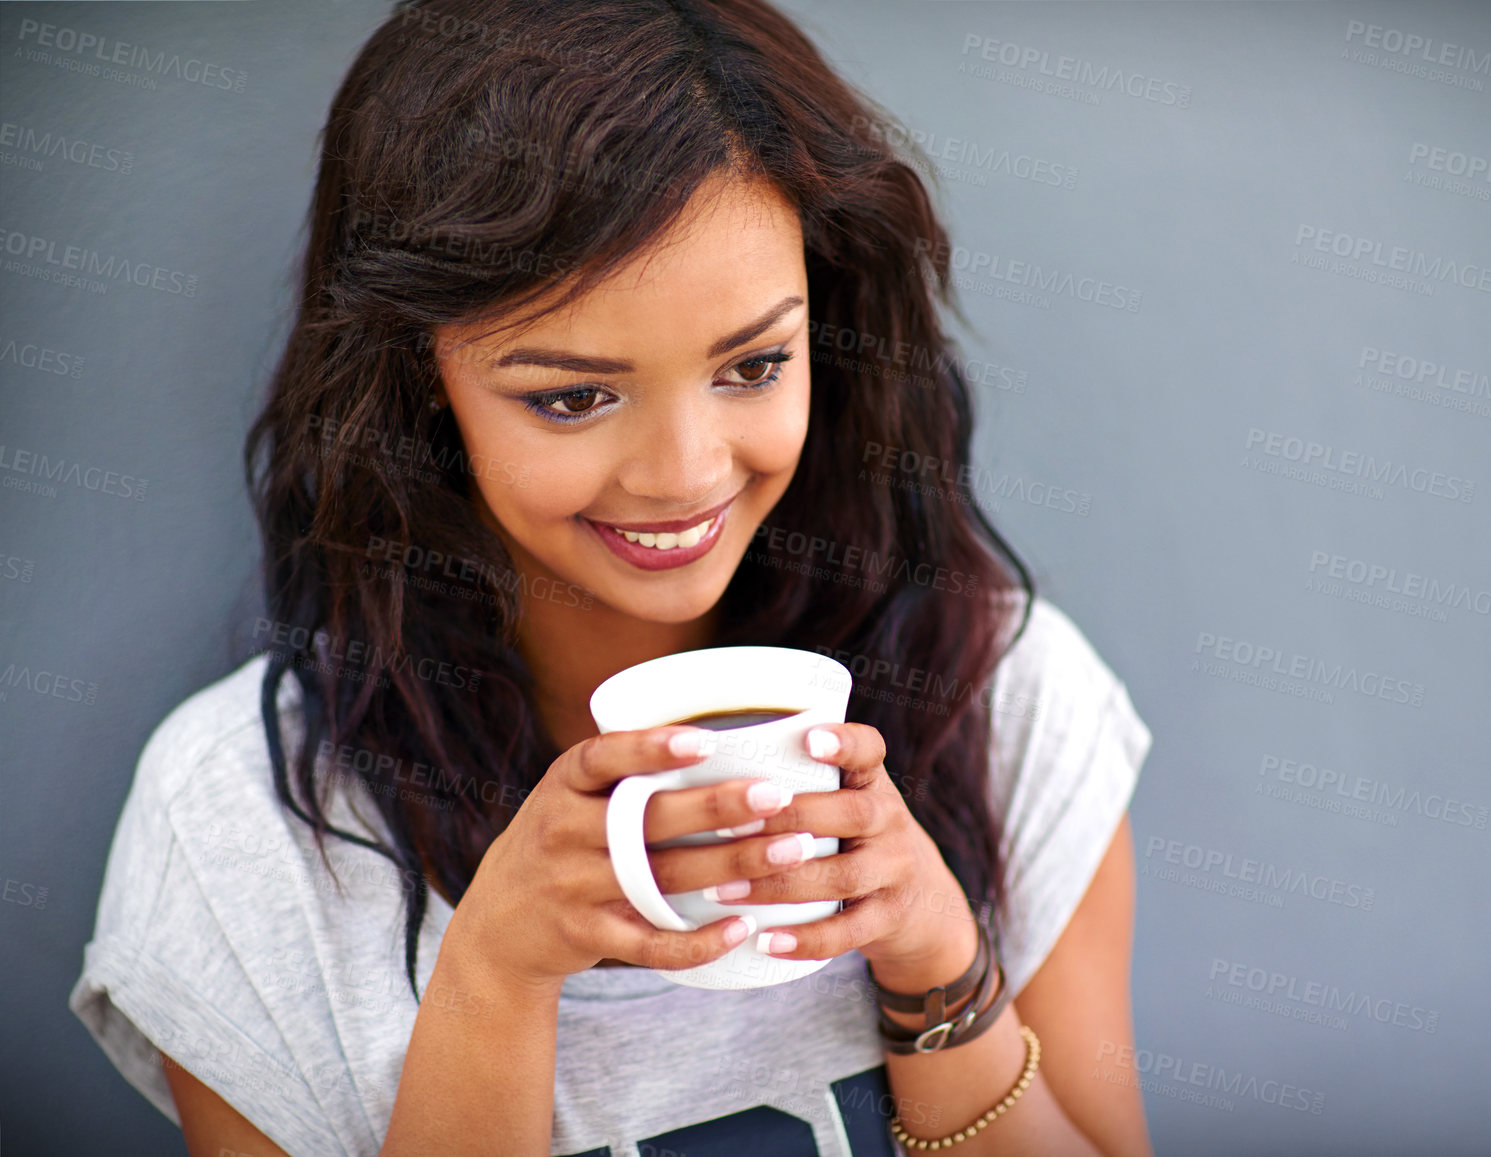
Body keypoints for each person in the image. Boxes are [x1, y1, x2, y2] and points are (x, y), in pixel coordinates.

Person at [69, 1, 1155, 1153]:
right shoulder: (244, 822)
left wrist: (939, 969)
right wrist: (494, 971)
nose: (685, 474)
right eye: (573, 395)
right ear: (419, 377)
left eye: (753, 363)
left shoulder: (1003, 696)